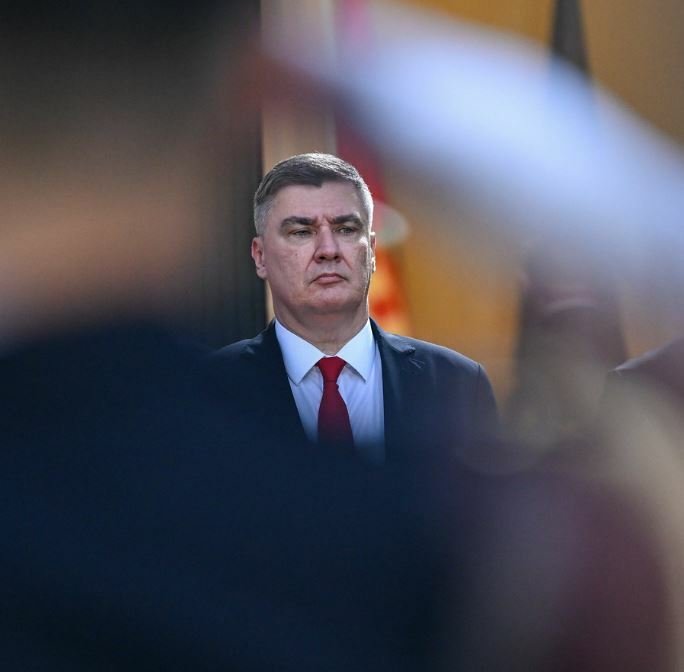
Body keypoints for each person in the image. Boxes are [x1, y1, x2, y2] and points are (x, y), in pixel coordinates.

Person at [212, 152, 498, 464]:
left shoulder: (458, 385)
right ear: (260, 256)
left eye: (346, 229)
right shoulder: (207, 391)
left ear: (372, 251)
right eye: (302, 232)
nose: (328, 250)